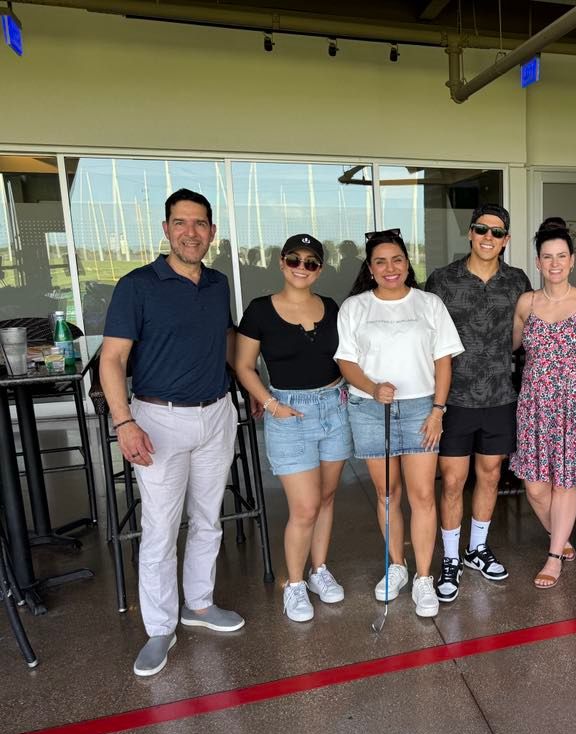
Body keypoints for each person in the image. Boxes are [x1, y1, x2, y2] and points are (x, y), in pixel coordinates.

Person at [100, 189, 243, 677]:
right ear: (166, 229)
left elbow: (226, 341)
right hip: (158, 419)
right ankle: (160, 628)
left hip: (215, 414)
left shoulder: (219, 283)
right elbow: (113, 359)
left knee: (208, 519)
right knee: (161, 530)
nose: (190, 232)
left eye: (199, 224)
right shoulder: (137, 285)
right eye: (180, 223)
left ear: (212, 232)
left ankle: (198, 604)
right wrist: (124, 422)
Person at [336, 228, 464, 618]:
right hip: (371, 408)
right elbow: (346, 361)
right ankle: (397, 566)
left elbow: (443, 359)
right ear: (371, 269)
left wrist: (438, 410)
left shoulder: (428, 303)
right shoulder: (355, 307)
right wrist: (373, 388)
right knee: (388, 493)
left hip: (422, 408)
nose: (390, 268)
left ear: (408, 264)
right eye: (380, 262)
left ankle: (424, 577)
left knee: (422, 494)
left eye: (397, 260)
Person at [235, 233, 352, 623]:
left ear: (320, 269)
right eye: (294, 259)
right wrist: (270, 403)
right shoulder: (260, 310)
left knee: (326, 499)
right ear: (282, 263)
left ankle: (319, 571)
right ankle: (295, 584)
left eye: (311, 262)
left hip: (334, 407)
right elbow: (243, 366)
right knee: (303, 507)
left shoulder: (332, 307)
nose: (302, 267)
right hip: (289, 412)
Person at [424, 204, 531, 602]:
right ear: (470, 233)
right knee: (453, 481)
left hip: (501, 396)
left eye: (497, 232)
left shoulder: (517, 281)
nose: (488, 237)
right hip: (453, 399)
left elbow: (523, 333)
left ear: (506, 240)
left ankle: (477, 549)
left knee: (489, 476)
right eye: (481, 230)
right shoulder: (443, 280)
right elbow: (427, 337)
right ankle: (450, 558)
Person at [510, 218, 576, 588]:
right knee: (535, 485)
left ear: (571, 261)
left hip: (574, 402)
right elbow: (513, 346)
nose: (554, 263)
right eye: (547, 257)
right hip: (534, 402)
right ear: (537, 262)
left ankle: (553, 556)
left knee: (564, 480)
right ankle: (561, 536)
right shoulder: (526, 302)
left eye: (561, 256)